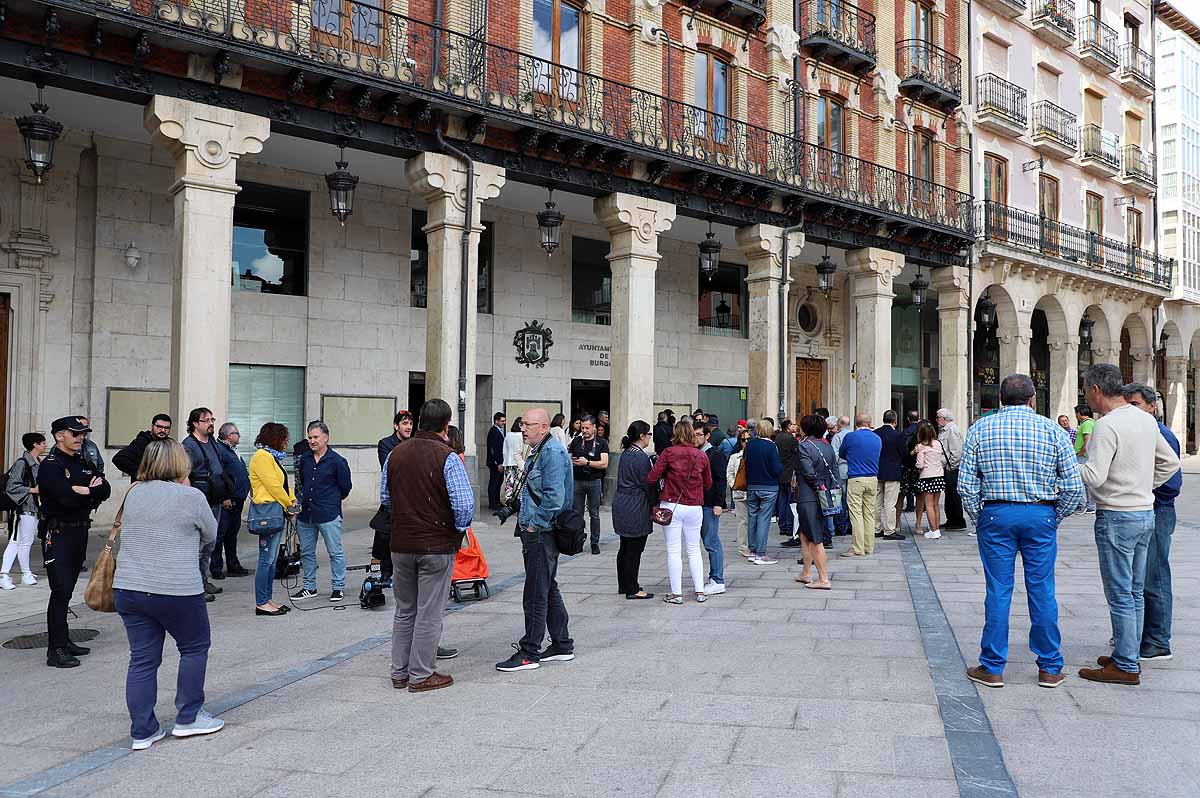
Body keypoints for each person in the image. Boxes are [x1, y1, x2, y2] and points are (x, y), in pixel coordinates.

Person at [957, 374, 1084, 690]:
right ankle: (1050, 668)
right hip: (1039, 512)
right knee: (1042, 588)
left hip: (996, 513)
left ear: (1000, 399)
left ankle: (992, 666)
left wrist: (980, 516)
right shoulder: (1052, 430)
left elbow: (966, 485)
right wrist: (1053, 516)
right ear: (1032, 400)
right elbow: (1072, 486)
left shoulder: (980, 429)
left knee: (998, 589)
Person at [113, 439, 222, 750]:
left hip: (130, 587)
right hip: (176, 588)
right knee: (194, 647)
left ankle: (143, 730)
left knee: (143, 659)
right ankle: (188, 717)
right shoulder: (191, 496)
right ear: (181, 464)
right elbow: (211, 536)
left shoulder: (133, 492)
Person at [1076, 365, 1179, 685]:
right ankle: (1128, 652)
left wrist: (1066, 465)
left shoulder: (1107, 426)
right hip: (1144, 514)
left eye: (1085, 389)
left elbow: (1094, 476)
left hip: (1117, 516)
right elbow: (1172, 463)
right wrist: (1145, 486)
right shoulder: (1145, 419)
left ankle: (1124, 664)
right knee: (1134, 591)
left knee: (1120, 592)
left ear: (1095, 390)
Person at [386, 399, 472, 692]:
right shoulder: (446, 456)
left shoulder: (395, 454)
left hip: (400, 542)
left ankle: (399, 672)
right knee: (429, 611)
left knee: (405, 609)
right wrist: (455, 530)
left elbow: (385, 498)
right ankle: (421, 673)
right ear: (446, 426)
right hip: (435, 544)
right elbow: (464, 505)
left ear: (420, 421)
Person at [496, 408, 574, 672]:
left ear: (543, 427)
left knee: (535, 593)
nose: (523, 429)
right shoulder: (541, 449)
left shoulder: (551, 452)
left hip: (542, 533)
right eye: (522, 425)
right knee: (547, 587)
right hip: (539, 531)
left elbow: (554, 497)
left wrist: (534, 526)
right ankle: (562, 644)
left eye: (527, 425)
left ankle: (530, 651)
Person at [39, 416, 112, 667]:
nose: (80, 438)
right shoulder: (51, 465)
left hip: (79, 532)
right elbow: (65, 499)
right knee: (60, 591)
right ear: (60, 436)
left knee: (68, 590)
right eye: (75, 434)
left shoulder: (81, 461)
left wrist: (87, 491)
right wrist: (87, 493)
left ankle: (64, 638)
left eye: (82, 434)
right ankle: (56, 649)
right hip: (58, 533)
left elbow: (106, 488)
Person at [1123, 383, 1181, 662]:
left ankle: (1158, 640)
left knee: (1154, 575)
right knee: (1139, 576)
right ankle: (1139, 634)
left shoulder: (1161, 434)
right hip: (1144, 509)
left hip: (1157, 511)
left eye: (1134, 404)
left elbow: (1171, 483)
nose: (1128, 410)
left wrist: (1143, 487)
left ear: (1151, 407)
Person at [646, 421, 712, 604]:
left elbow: (652, 477)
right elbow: (708, 483)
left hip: (672, 504)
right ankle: (699, 591)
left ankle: (677, 594)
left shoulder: (668, 452)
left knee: (673, 551)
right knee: (694, 549)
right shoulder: (701, 455)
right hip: (694, 506)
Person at [291, 422, 353, 602]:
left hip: (328, 514)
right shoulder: (305, 459)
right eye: (310, 437)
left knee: (335, 552)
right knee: (307, 553)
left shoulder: (337, 461)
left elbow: (346, 488)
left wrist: (330, 501)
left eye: (316, 437)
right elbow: (302, 482)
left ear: (326, 437)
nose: (312, 441)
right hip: (306, 514)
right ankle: (309, 587)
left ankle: (338, 587)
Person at [249, 423, 296, 617]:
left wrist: (292, 499)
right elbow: (274, 486)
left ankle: (267, 599)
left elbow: (283, 484)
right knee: (266, 560)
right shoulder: (262, 457)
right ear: (276, 438)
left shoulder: (273, 458)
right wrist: (289, 505)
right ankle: (261, 602)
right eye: (284, 438)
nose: (286, 442)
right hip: (267, 513)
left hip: (275, 510)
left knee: (271, 559)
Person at [181, 407, 227, 598]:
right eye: (206, 420)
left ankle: (203, 580)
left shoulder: (213, 442)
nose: (211, 423)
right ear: (195, 424)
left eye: (212, 419)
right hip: (199, 497)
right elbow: (184, 473)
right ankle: (195, 585)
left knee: (210, 541)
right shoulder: (188, 445)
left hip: (215, 496)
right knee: (198, 543)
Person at [611, 421, 656, 600]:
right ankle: (632, 588)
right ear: (642, 436)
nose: (650, 437)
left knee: (625, 546)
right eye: (649, 434)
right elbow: (647, 484)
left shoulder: (627, 453)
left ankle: (624, 584)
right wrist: (655, 502)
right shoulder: (640, 457)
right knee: (634, 549)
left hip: (623, 503)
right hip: (635, 505)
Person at [792, 415, 838, 588]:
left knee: (815, 537)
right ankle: (805, 572)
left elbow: (808, 472)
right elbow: (834, 471)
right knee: (805, 534)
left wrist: (819, 486)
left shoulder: (803, 447)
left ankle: (823, 578)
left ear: (806, 429)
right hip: (823, 496)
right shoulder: (827, 447)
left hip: (808, 496)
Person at [0, 433, 47, 590]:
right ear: (35, 444)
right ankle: (9, 575)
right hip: (25, 507)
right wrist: (33, 490)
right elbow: (11, 486)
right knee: (22, 542)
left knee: (20, 541)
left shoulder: (36, 462)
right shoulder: (23, 463)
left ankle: (23, 574)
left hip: (32, 507)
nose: (45, 445)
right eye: (43, 443)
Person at [840, 412, 882, 559]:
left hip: (855, 477)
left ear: (856, 423)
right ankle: (869, 546)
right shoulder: (877, 438)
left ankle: (858, 547)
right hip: (872, 478)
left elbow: (842, 454)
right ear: (869, 423)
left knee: (856, 513)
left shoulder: (850, 437)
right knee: (869, 513)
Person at [210, 423, 251, 579]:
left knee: (232, 533)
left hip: (238, 498)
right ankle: (216, 567)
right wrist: (224, 497)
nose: (239, 436)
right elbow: (219, 475)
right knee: (221, 533)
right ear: (228, 435)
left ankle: (233, 565)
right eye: (237, 433)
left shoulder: (232, 450)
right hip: (228, 499)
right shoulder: (220, 450)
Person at [694, 420, 728, 596]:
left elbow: (721, 480)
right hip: (696, 503)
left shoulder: (715, 455)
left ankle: (717, 578)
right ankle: (712, 577)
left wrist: (718, 503)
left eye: (699, 434)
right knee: (702, 542)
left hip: (709, 504)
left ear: (707, 436)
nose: (696, 438)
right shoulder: (694, 453)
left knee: (711, 541)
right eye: (694, 434)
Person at [743, 419, 782, 565]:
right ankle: (760, 553)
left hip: (752, 485)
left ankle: (752, 550)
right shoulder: (771, 446)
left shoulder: (750, 445)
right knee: (764, 519)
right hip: (769, 486)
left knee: (752, 517)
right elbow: (776, 468)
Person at [570, 415, 609, 555]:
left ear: (594, 427)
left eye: (587, 428)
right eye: (582, 428)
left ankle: (594, 542)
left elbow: (604, 463)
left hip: (594, 481)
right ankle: (577, 541)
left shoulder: (602, 443)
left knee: (594, 513)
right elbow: (569, 458)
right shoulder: (576, 441)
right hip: (577, 481)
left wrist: (587, 463)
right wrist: (572, 461)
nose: (584, 430)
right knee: (577, 513)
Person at [873, 410, 906, 540]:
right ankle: (889, 530)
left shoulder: (875, 434)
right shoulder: (898, 435)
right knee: (890, 503)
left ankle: (876, 528)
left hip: (877, 471)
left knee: (876, 502)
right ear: (895, 421)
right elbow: (903, 453)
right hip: (893, 472)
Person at [113, 414, 173, 479]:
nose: (163, 430)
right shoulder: (141, 442)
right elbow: (119, 458)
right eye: (159, 427)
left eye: (166, 428)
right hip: (144, 484)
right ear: (152, 426)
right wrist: (142, 473)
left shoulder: (171, 444)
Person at [913, 421, 945, 539]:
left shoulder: (921, 447)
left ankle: (933, 530)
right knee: (936, 505)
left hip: (927, 477)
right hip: (939, 476)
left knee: (929, 505)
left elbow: (920, 465)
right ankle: (937, 528)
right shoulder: (938, 444)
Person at [936, 409, 967, 530]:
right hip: (947, 467)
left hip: (951, 468)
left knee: (953, 494)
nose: (937, 420)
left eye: (938, 418)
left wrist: (951, 466)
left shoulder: (952, 430)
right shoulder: (945, 430)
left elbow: (957, 451)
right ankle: (951, 519)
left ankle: (957, 520)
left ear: (944, 419)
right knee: (949, 495)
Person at [726, 430, 751, 558]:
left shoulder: (754, 455)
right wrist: (734, 485)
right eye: (743, 440)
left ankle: (753, 545)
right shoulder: (734, 457)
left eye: (748, 439)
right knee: (742, 521)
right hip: (740, 493)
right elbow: (729, 473)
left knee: (754, 520)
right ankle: (743, 547)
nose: (746, 442)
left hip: (753, 492)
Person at [828, 415, 853, 538]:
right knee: (851, 499)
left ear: (839, 425)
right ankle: (850, 525)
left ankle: (841, 526)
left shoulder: (837, 437)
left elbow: (834, 456)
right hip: (853, 470)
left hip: (841, 470)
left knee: (841, 499)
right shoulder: (853, 436)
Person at [774, 419, 799, 542]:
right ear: (789, 426)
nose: (796, 426)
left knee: (782, 499)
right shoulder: (791, 440)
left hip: (780, 473)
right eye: (794, 424)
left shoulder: (778, 437)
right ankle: (789, 526)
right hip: (789, 473)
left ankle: (782, 525)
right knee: (790, 500)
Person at [1074, 405, 1097, 513]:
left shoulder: (1087, 424)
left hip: (1083, 456)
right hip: (1084, 455)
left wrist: (1080, 452)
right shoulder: (1088, 423)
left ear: (1079, 413)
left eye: (1076, 413)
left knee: (1082, 481)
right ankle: (1087, 504)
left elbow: (1087, 440)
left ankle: (1085, 505)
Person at [501, 417, 528, 505]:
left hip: (508, 462)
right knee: (519, 482)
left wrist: (504, 460)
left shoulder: (508, 435)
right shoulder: (522, 436)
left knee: (509, 483)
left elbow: (504, 450)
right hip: (519, 462)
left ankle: (508, 501)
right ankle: (518, 502)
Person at [899, 410, 920, 513]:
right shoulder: (922, 430)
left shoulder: (905, 431)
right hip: (920, 462)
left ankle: (910, 504)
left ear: (908, 419)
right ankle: (921, 505)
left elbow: (902, 448)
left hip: (908, 461)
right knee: (918, 485)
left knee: (907, 484)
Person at [486, 411, 506, 511]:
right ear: (496, 421)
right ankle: (493, 503)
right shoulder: (494, 431)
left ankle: (497, 501)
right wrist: (498, 463)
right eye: (502, 421)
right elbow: (494, 449)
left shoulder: (498, 431)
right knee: (494, 482)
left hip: (498, 462)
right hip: (495, 463)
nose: (504, 423)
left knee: (498, 481)